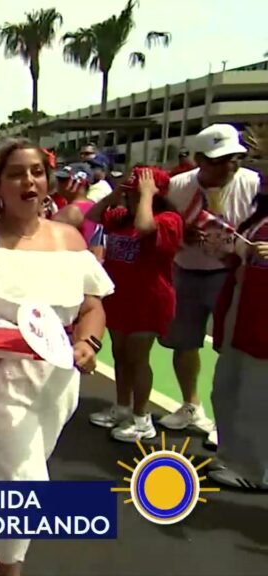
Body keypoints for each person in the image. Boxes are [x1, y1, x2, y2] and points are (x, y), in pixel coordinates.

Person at [0, 140, 112, 575]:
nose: (28, 180)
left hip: (56, 382)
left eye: (36, 171)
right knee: (24, 480)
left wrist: (88, 344)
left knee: (1, 467)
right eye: (16, 173)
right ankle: (11, 566)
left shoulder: (70, 239)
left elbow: (92, 305)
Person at [159, 124, 260, 433]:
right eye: (218, 159)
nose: (228, 165)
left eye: (234, 157)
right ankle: (191, 405)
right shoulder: (177, 186)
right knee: (184, 343)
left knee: (230, 349)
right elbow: (161, 224)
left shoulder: (254, 184)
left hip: (233, 276)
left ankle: (226, 420)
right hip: (186, 272)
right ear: (200, 159)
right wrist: (179, 232)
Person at [85, 167, 183, 441]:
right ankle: (122, 407)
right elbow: (92, 216)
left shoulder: (169, 219)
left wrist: (147, 195)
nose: (130, 199)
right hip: (120, 298)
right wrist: (116, 193)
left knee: (138, 358)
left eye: (134, 194)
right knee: (119, 354)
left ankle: (142, 418)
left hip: (149, 301)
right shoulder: (119, 218)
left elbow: (144, 227)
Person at [208, 192, 268, 490]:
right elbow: (242, 260)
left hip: (262, 319)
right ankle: (232, 455)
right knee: (226, 387)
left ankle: (255, 469)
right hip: (242, 307)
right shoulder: (259, 218)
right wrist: (223, 251)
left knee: (256, 397)